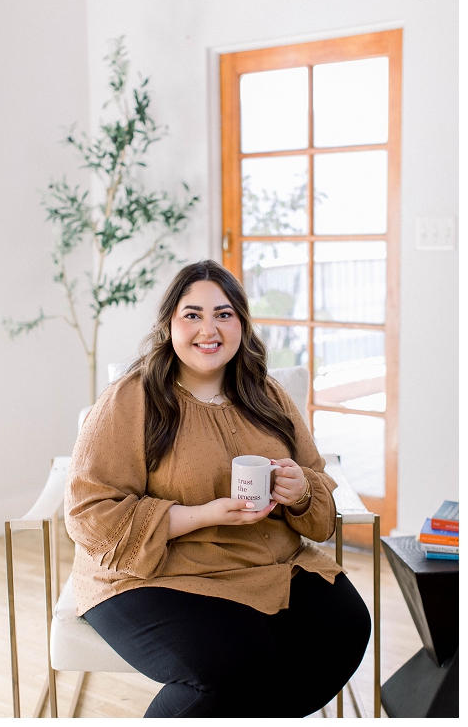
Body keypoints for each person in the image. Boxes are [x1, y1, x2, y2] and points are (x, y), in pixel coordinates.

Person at [64, 260, 371, 718]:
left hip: (263, 564)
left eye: (223, 314)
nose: (209, 329)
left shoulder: (268, 395)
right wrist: (205, 514)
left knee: (346, 626)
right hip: (151, 574)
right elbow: (90, 514)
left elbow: (318, 493)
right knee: (236, 666)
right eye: (192, 314)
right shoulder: (133, 398)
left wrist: (299, 488)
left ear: (242, 325)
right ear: (169, 325)